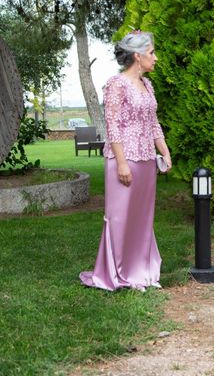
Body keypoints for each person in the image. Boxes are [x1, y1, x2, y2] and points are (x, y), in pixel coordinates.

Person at [80, 30, 172, 292]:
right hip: (124, 159)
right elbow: (113, 127)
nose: (155, 58)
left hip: (145, 160)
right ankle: (117, 273)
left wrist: (164, 151)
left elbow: (153, 123)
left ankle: (140, 272)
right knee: (120, 218)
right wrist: (121, 163)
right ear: (137, 56)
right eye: (152, 52)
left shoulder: (147, 85)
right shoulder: (115, 84)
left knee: (142, 218)